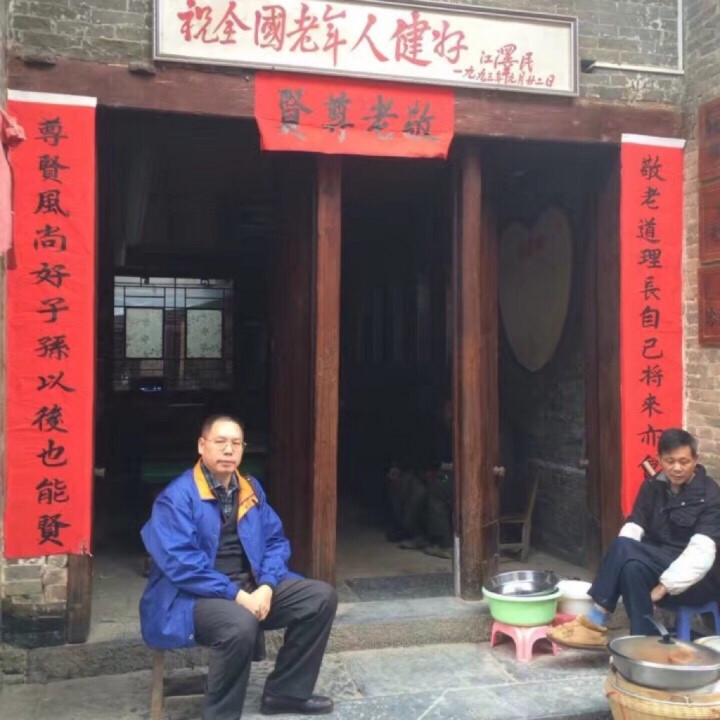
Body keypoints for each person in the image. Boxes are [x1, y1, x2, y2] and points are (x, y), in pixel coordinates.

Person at [139, 414, 338, 719]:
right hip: (192, 596)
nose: (228, 450)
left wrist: (267, 586)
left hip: (251, 585)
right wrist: (238, 596)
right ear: (202, 446)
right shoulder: (177, 497)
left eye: (236, 443)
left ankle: (286, 693)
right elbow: (182, 566)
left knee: (320, 597)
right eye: (220, 442)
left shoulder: (250, 489)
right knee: (239, 622)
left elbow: (275, 541)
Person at [549, 428, 720, 649]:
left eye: (684, 461)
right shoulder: (652, 487)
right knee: (631, 566)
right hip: (656, 566)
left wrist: (662, 587)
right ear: (660, 459)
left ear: (695, 460)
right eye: (670, 461)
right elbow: (633, 527)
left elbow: (701, 554)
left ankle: (595, 619)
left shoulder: (710, 494)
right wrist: (621, 566)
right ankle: (645, 643)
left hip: (696, 582)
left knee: (624, 548)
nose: (677, 468)